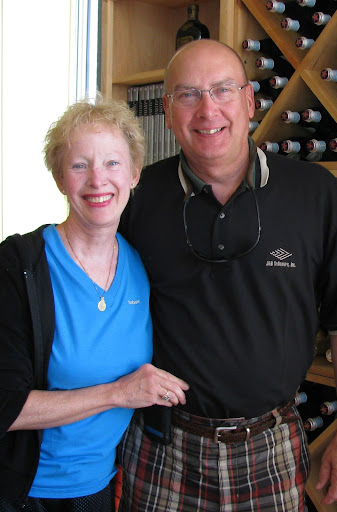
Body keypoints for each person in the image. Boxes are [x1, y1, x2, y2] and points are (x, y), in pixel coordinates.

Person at [118, 39, 337, 511]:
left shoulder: (317, 196)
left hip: (271, 446)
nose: (207, 110)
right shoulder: (135, 199)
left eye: (222, 90)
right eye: (187, 95)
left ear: (250, 100)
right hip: (161, 445)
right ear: (168, 112)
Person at [0, 95, 188, 512]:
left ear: (135, 173)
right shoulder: (19, 266)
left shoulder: (141, 264)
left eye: (112, 163)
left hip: (101, 487)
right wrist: (118, 393)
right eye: (79, 164)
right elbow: (5, 407)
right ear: (59, 177)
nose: (97, 180)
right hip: (24, 492)